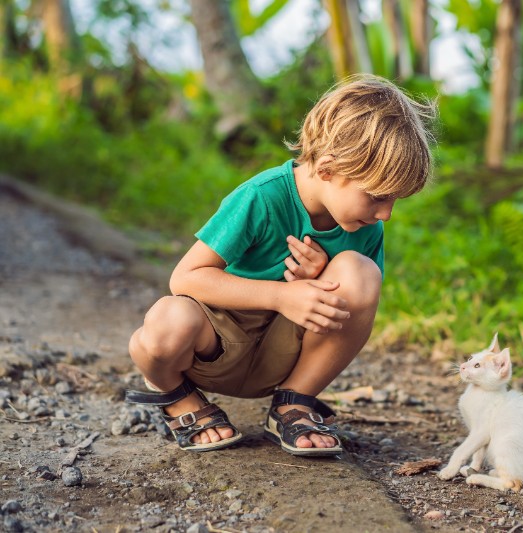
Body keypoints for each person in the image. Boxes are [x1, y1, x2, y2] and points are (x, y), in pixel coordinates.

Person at [123, 75, 435, 456]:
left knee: (360, 271)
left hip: (282, 356)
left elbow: (353, 308)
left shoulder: (365, 223)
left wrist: (321, 276)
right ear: (327, 170)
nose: (385, 213)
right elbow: (184, 278)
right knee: (166, 322)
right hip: (216, 346)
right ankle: (180, 399)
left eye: (394, 201)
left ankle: (293, 405)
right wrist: (281, 294)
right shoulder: (263, 197)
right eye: (377, 196)